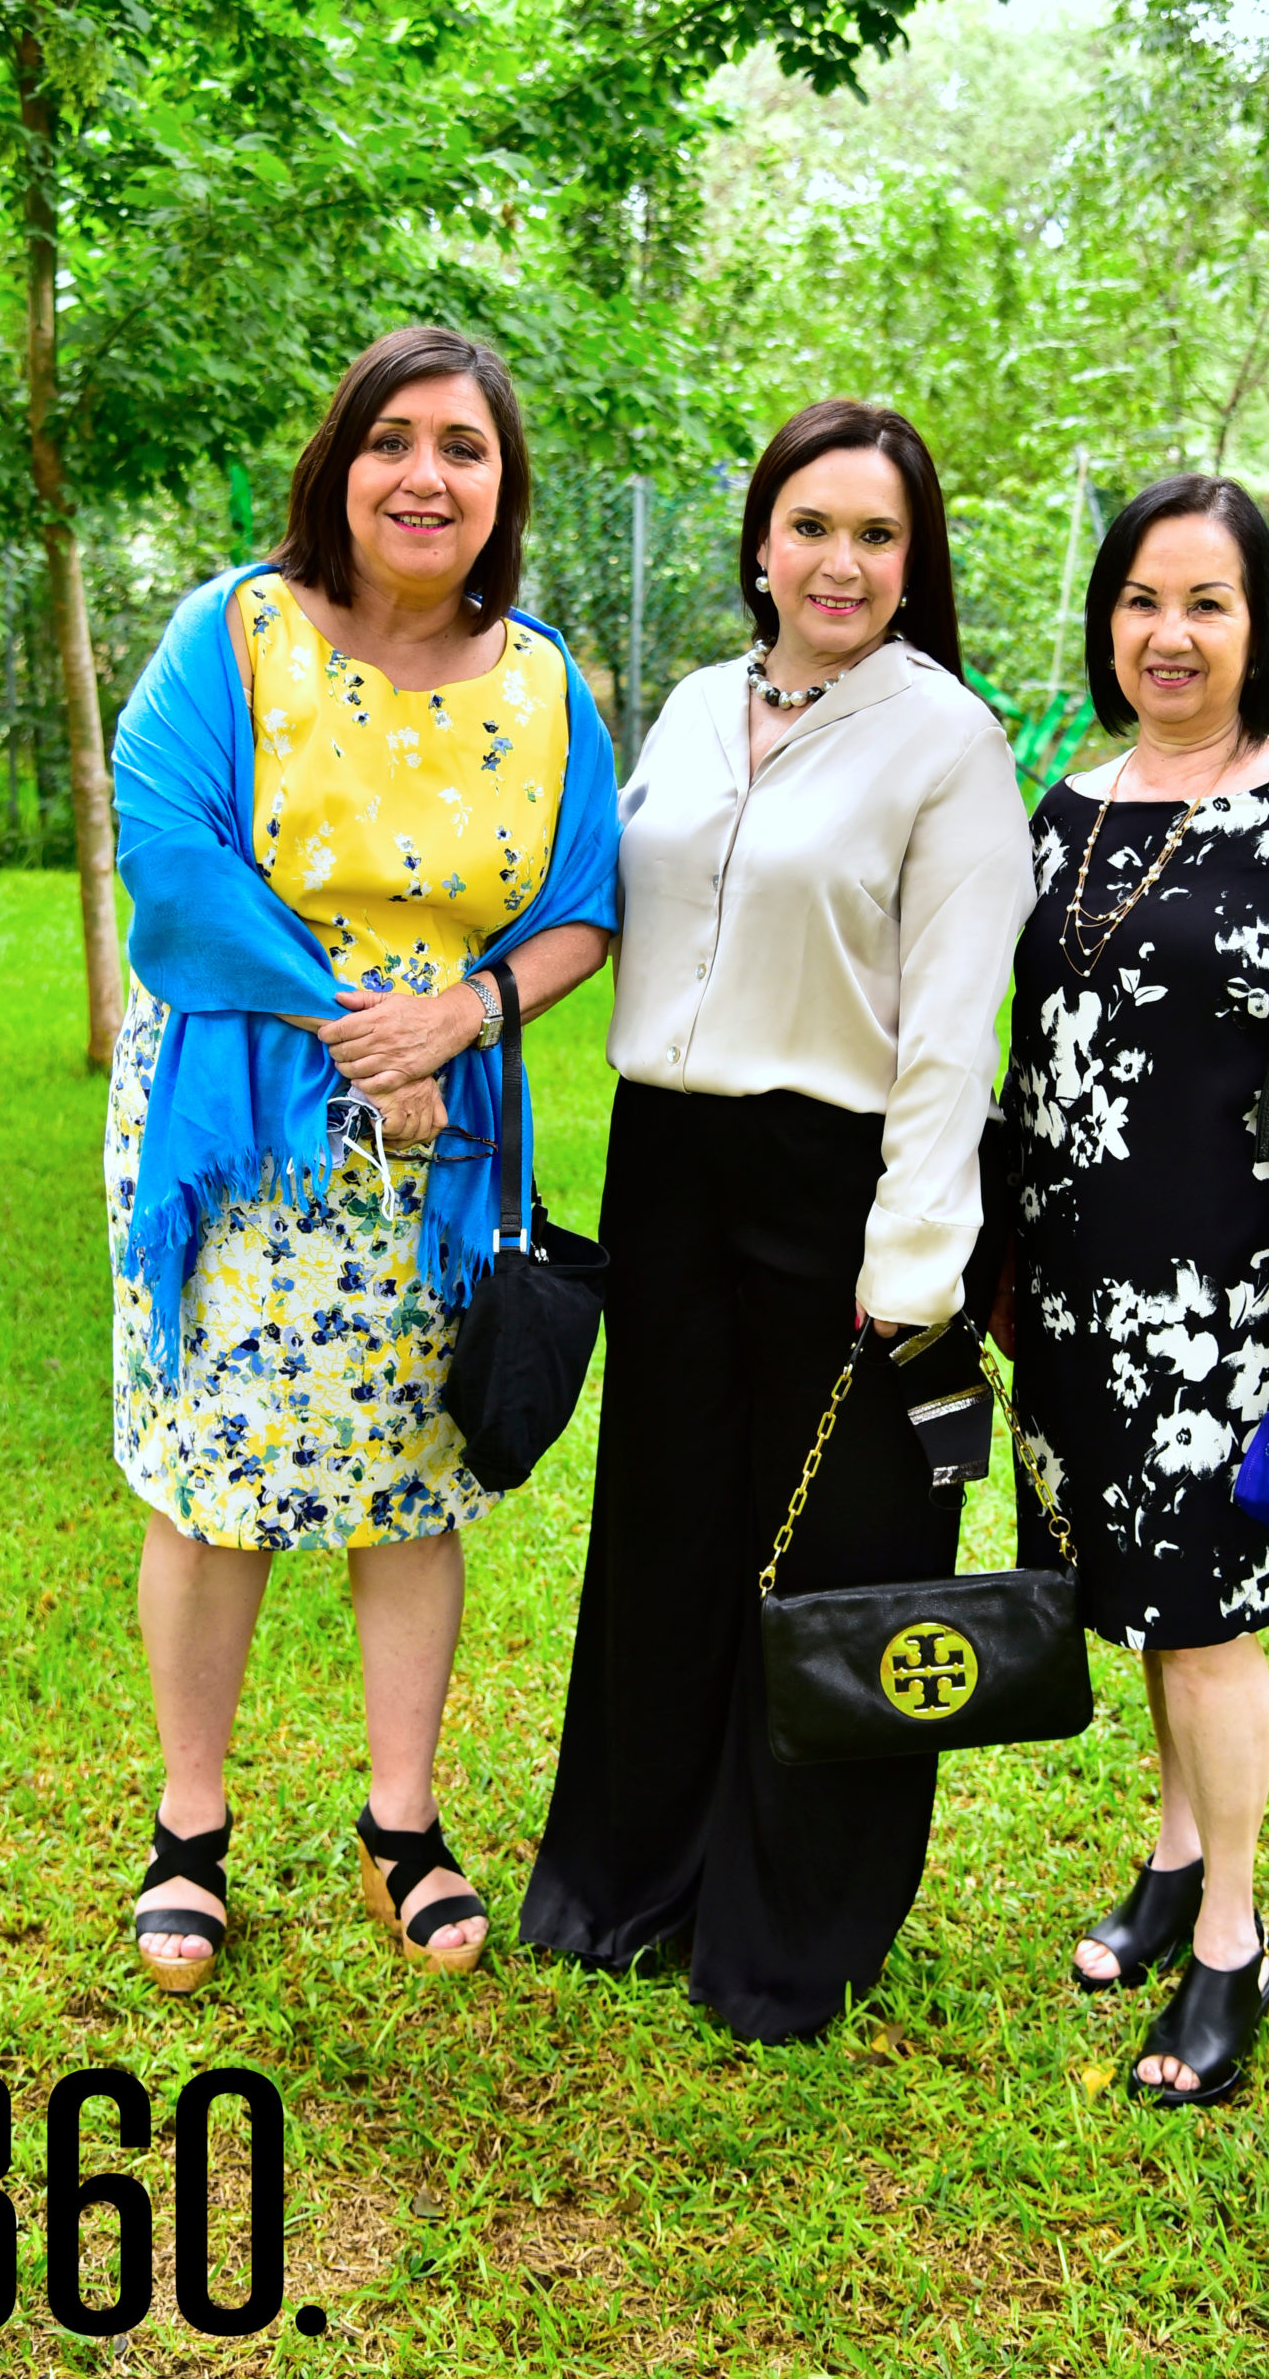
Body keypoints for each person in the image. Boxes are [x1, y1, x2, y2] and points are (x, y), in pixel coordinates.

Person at [106, 325, 618, 1992]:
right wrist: (359, 1028)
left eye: (462, 448)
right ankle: (191, 1831)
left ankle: (402, 1823)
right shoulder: (236, 632)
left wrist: (459, 1014)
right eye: (393, 439)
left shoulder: (544, 683)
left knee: (411, 1481)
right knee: (217, 1483)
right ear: (341, 464)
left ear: (499, 489)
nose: (425, 474)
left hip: (437, 1153)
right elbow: (167, 845)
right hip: (243, 1129)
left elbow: (584, 909)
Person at [519, 399, 1035, 2041]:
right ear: (759, 542)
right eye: (812, 525)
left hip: (845, 1181)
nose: (839, 560)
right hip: (666, 1168)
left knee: (835, 1561)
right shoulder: (681, 704)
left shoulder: (946, 743)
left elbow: (958, 1028)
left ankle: (787, 1934)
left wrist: (917, 1260)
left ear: (911, 565)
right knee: (667, 1539)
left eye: (875, 536)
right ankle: (629, 1883)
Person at [991, 472, 1269, 2104]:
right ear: (1107, 621)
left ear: (1256, 627)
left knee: (1213, 1616)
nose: (1169, 636)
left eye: (1206, 605)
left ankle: (1231, 1940)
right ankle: (1170, 1867)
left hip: (1239, 1295)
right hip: (1080, 1290)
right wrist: (1010, 1258)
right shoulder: (1063, 807)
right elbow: (1028, 1055)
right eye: (1142, 602)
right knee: (1141, 1602)